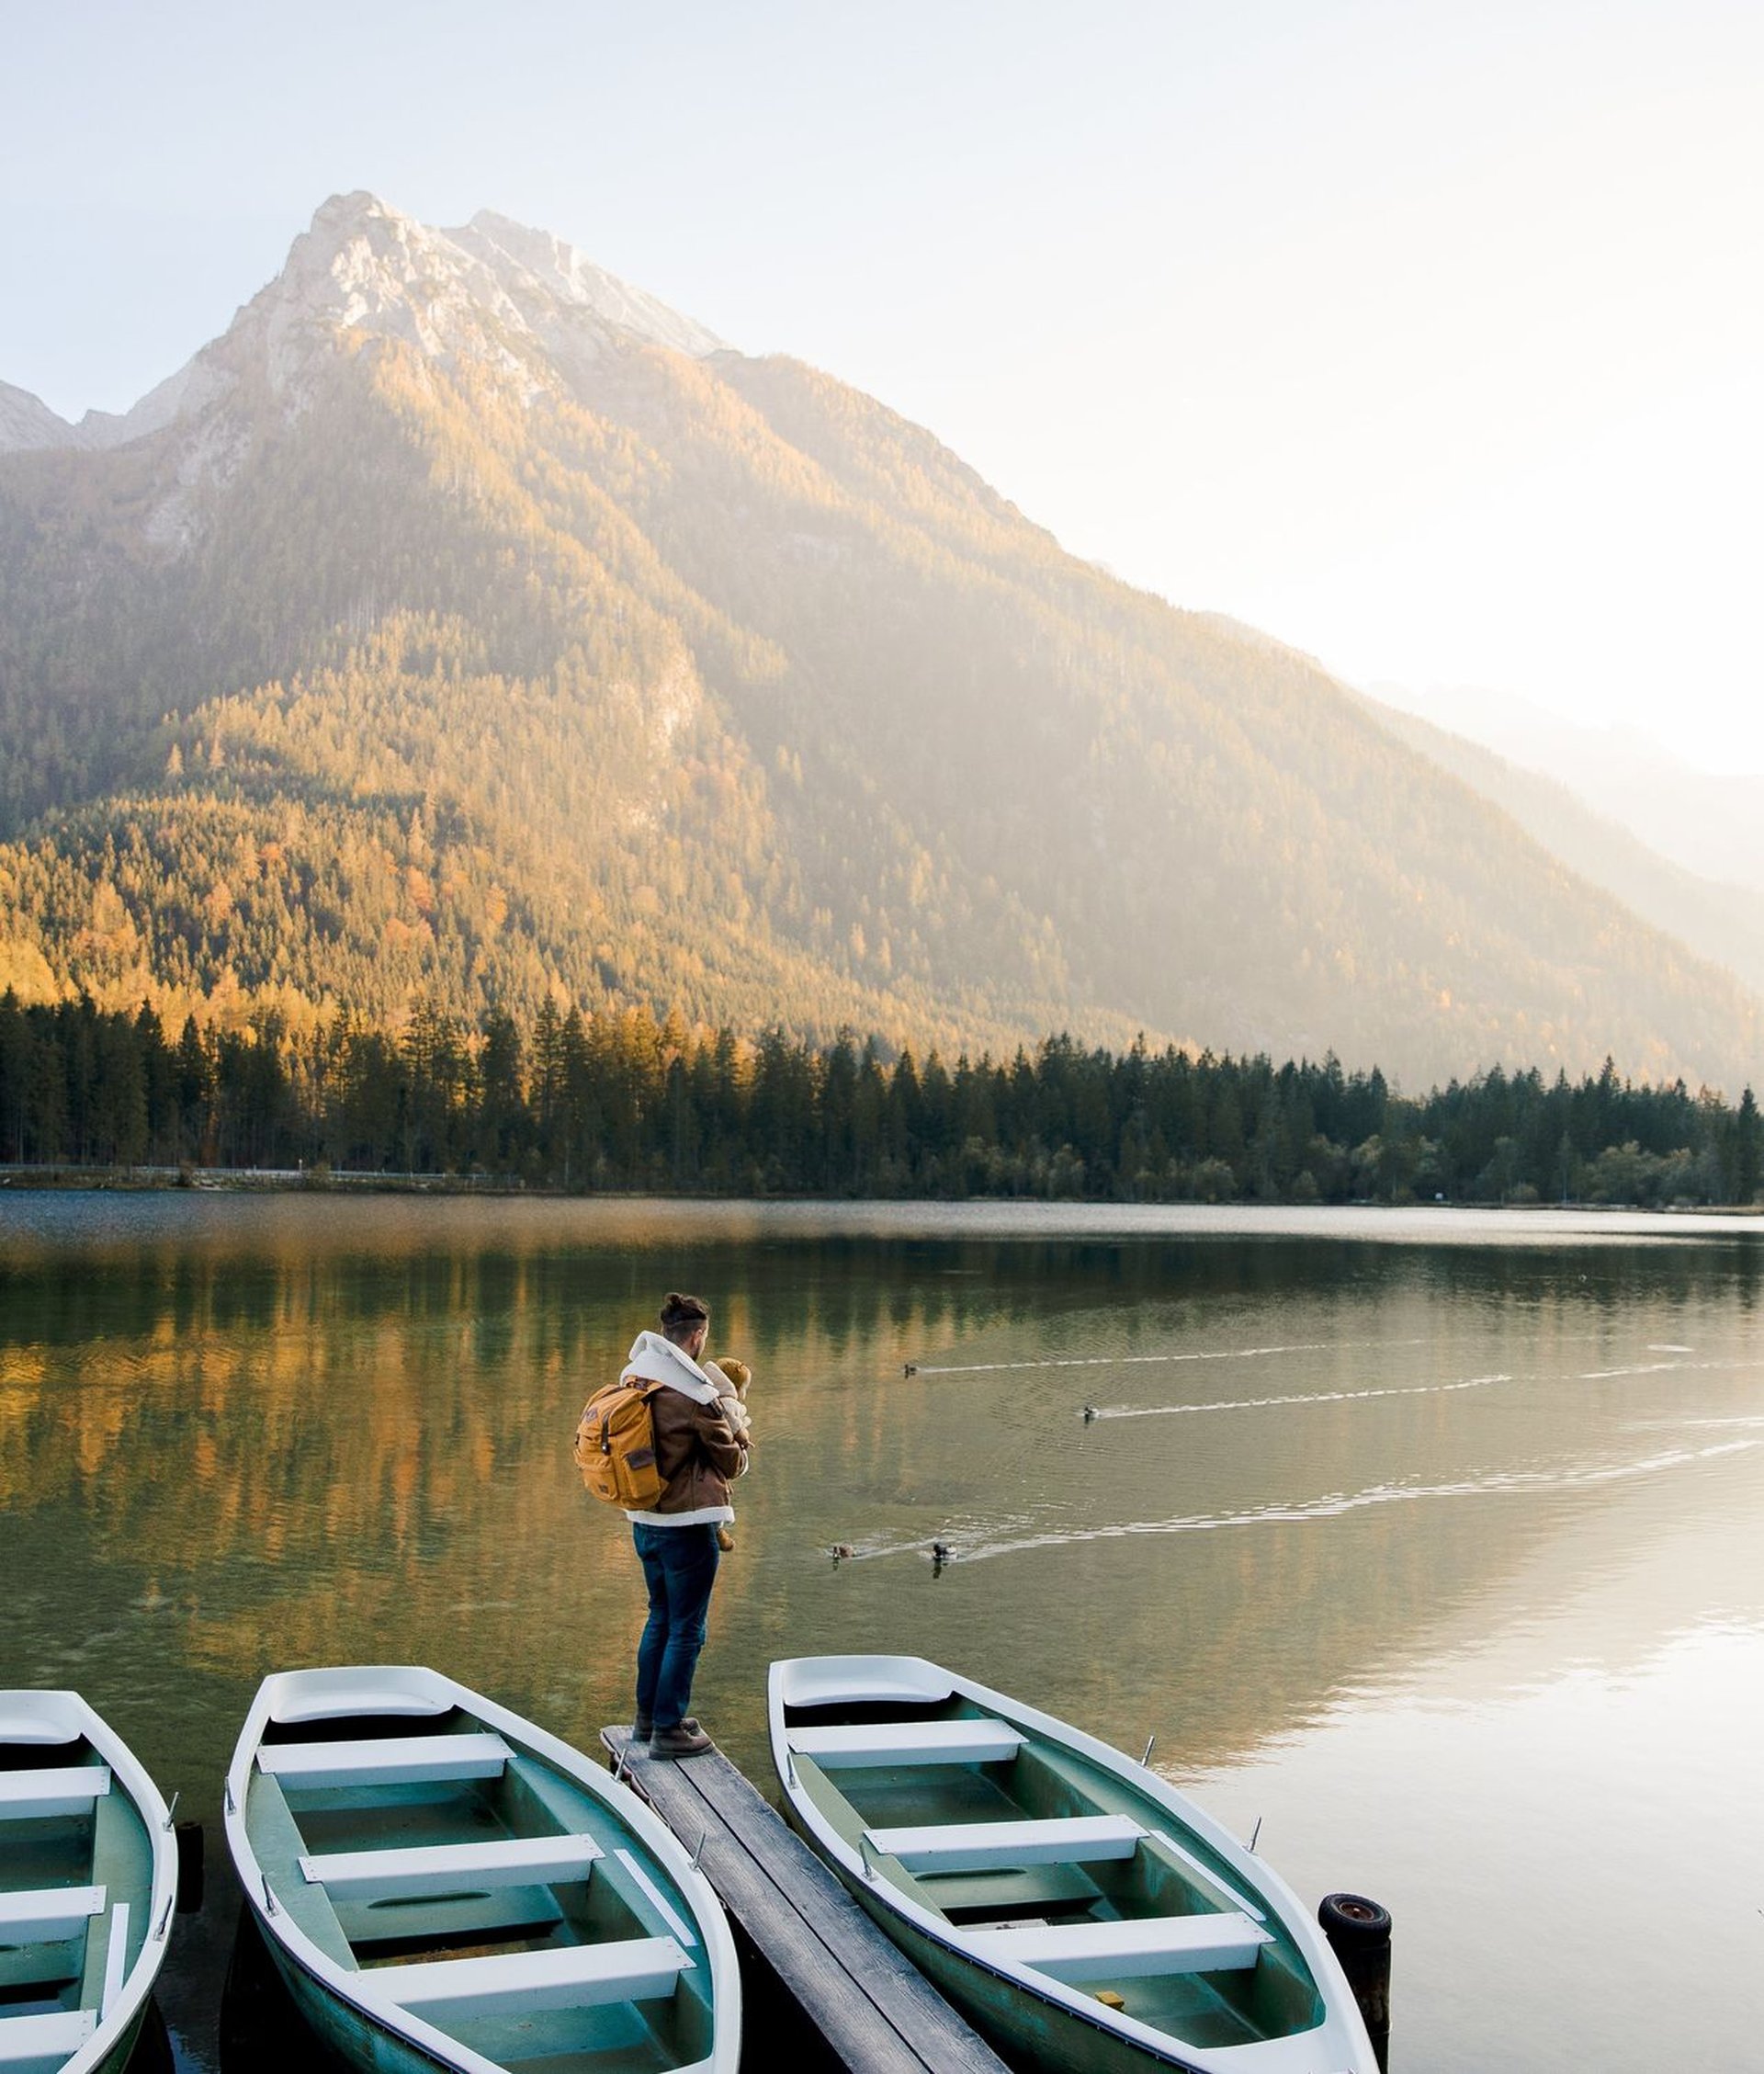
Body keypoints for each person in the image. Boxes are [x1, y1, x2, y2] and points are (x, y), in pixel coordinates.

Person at [623, 1292, 752, 1758]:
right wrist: (740, 1432)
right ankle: (670, 1728)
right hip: (689, 1524)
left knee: (659, 1615)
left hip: (642, 1519)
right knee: (688, 1628)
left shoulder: (636, 1377)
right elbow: (732, 1463)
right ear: (697, 1337)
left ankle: (647, 1718)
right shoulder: (697, 1394)